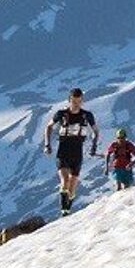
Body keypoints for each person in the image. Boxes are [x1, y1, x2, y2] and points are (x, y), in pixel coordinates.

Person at [42, 88, 99, 216]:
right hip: (63, 150)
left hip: (77, 151)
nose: (76, 104)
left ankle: (67, 208)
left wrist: (94, 145)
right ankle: (64, 212)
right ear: (69, 100)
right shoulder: (61, 114)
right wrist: (47, 144)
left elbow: (95, 131)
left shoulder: (87, 115)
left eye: (79, 101)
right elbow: (48, 126)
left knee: (73, 186)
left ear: (82, 101)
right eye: (74, 101)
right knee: (65, 180)